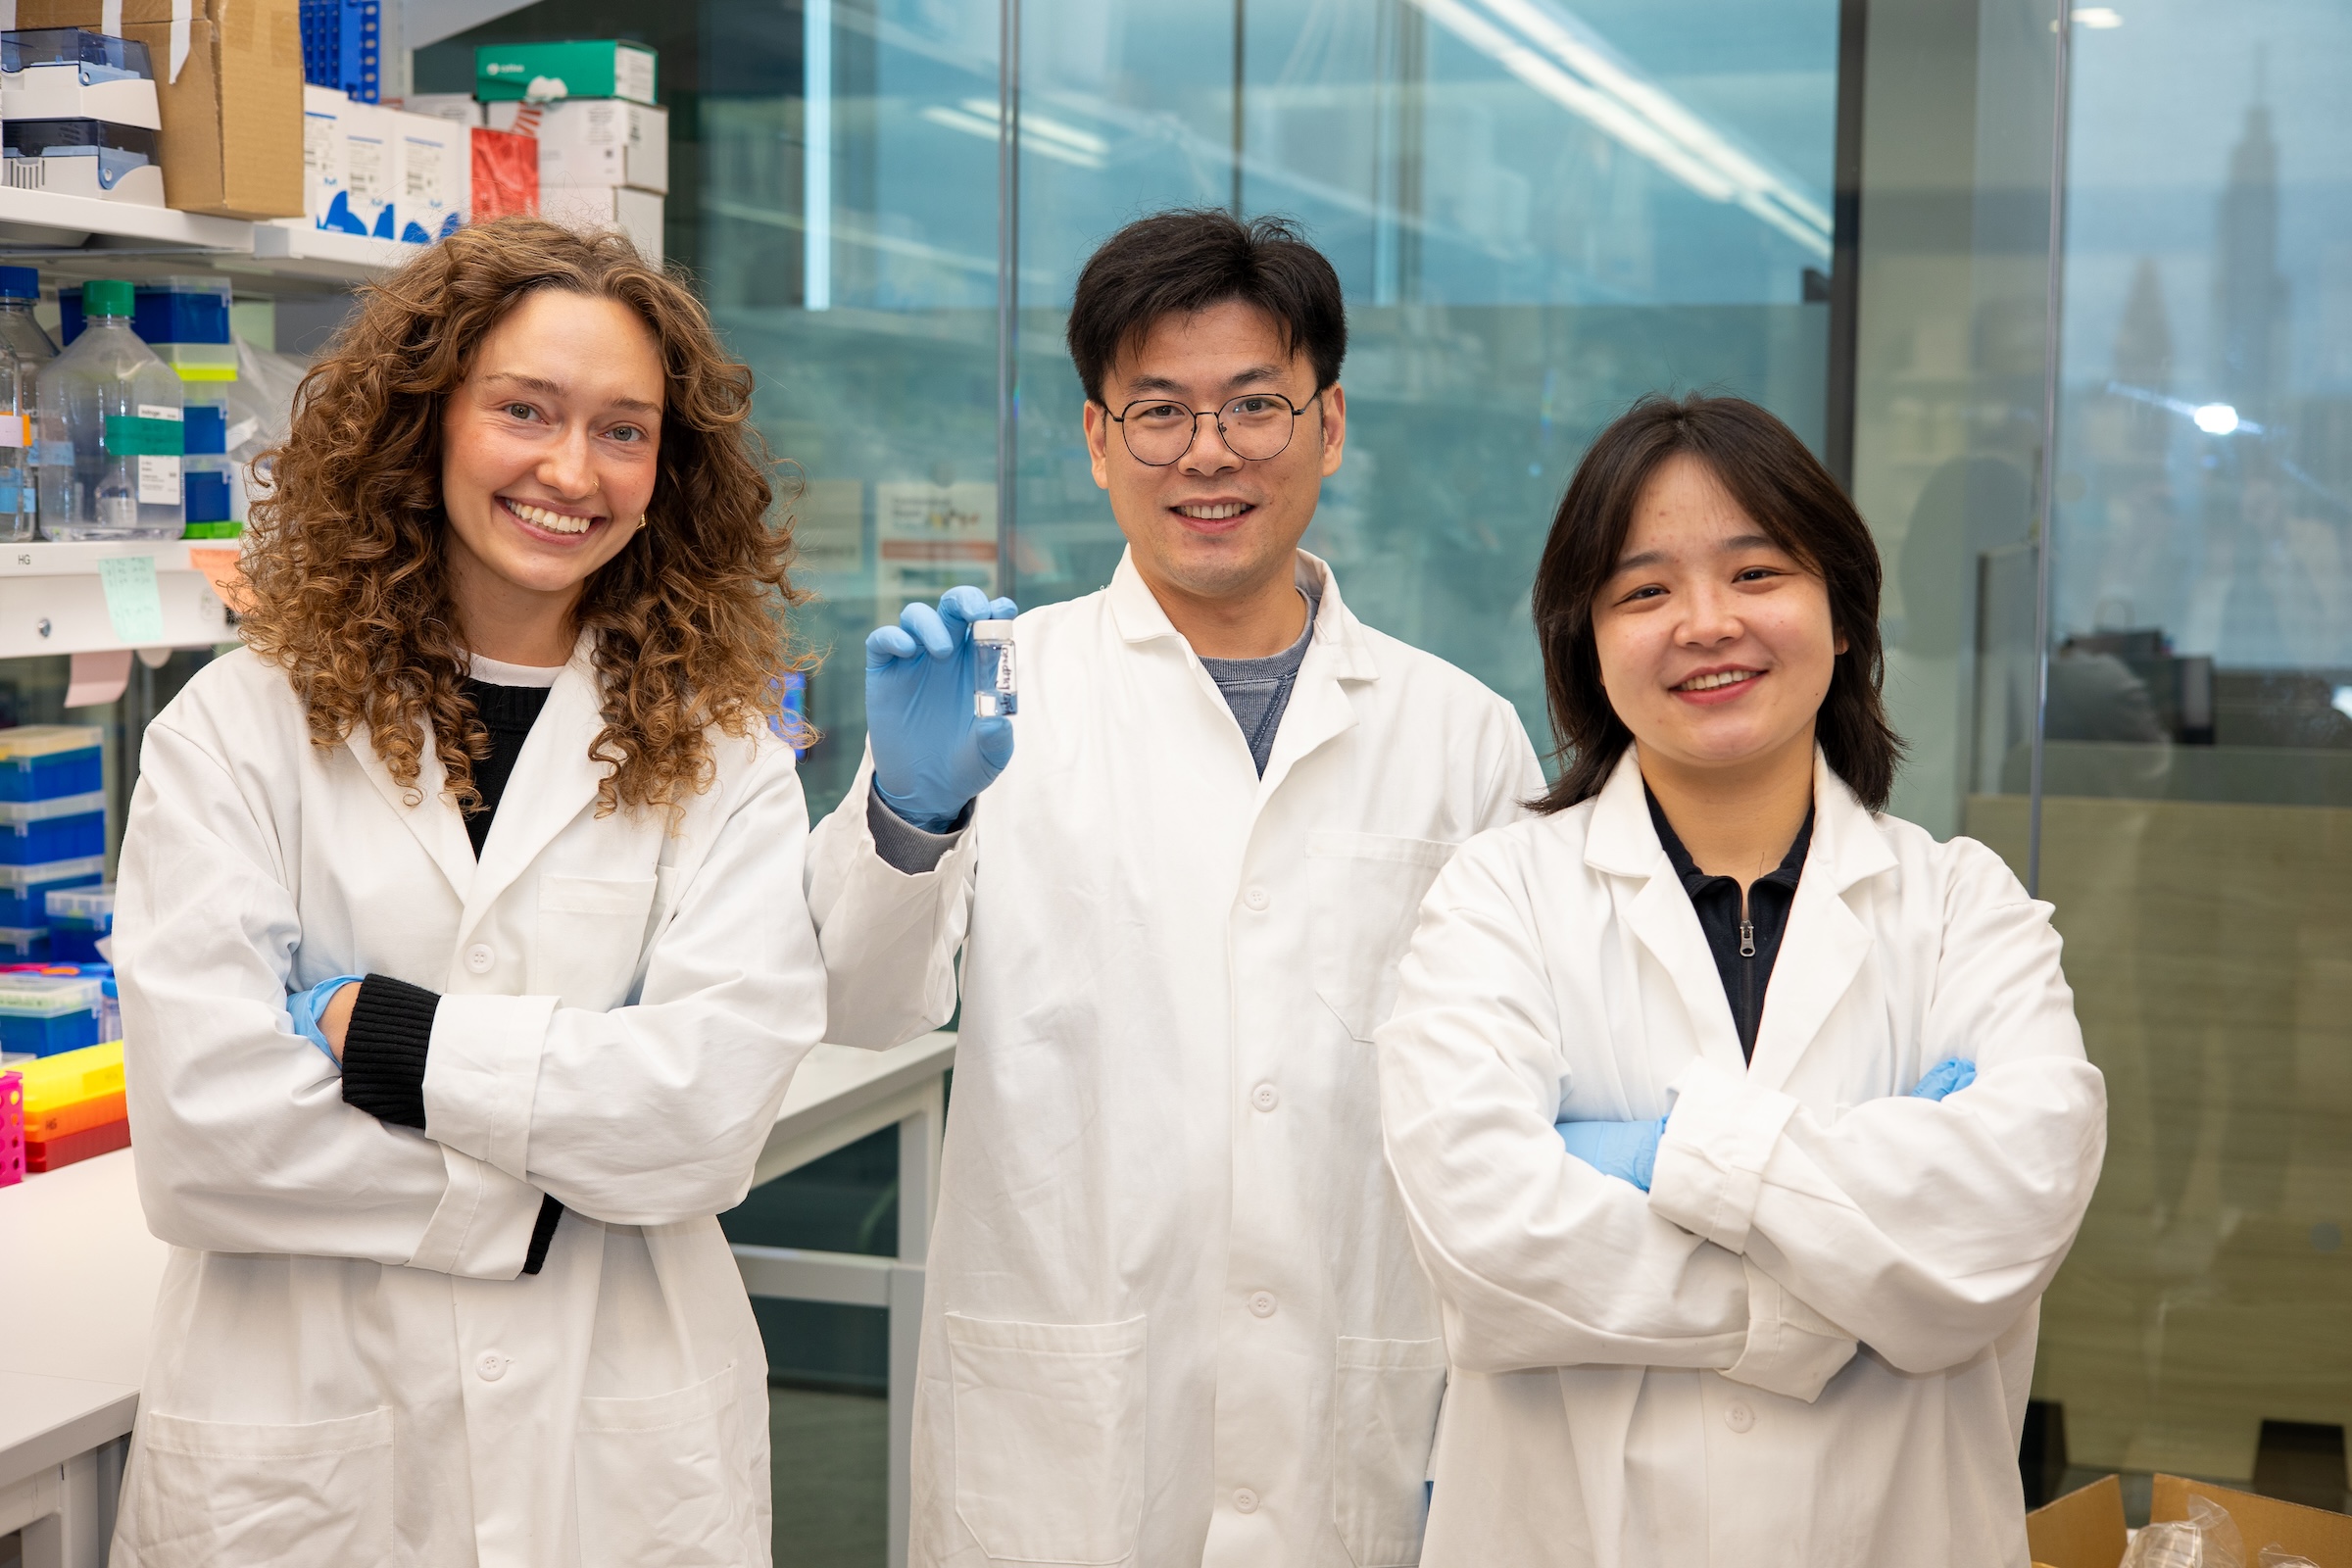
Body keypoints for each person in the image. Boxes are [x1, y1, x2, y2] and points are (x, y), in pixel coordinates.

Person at [807, 210, 1542, 1567]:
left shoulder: (1461, 735)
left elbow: (1510, 1101)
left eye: (1255, 405)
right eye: (1159, 413)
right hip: (1070, 1441)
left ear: (1329, 426)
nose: (1209, 453)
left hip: (1360, 1419)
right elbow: (854, 1001)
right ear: (1097, 443)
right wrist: (911, 813)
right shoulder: (997, 693)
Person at [109, 220, 825, 1568]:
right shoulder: (241, 730)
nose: (573, 469)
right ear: (423, 422)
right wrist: (554, 1182)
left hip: (613, 1438)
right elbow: (206, 1136)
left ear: (670, 471)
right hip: (310, 1436)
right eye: (525, 411)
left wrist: (386, 1038)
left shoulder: (723, 750)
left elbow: (704, 1123)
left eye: (625, 430)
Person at [1375, 394, 2109, 1567]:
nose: (1707, 623)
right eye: (1645, 590)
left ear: (1843, 611)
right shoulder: (1496, 899)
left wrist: (1666, 1155)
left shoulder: (1966, 907)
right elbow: (1488, 1247)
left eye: (1757, 572)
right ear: (1587, 641)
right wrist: (1866, 1265)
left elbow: (2004, 1220)